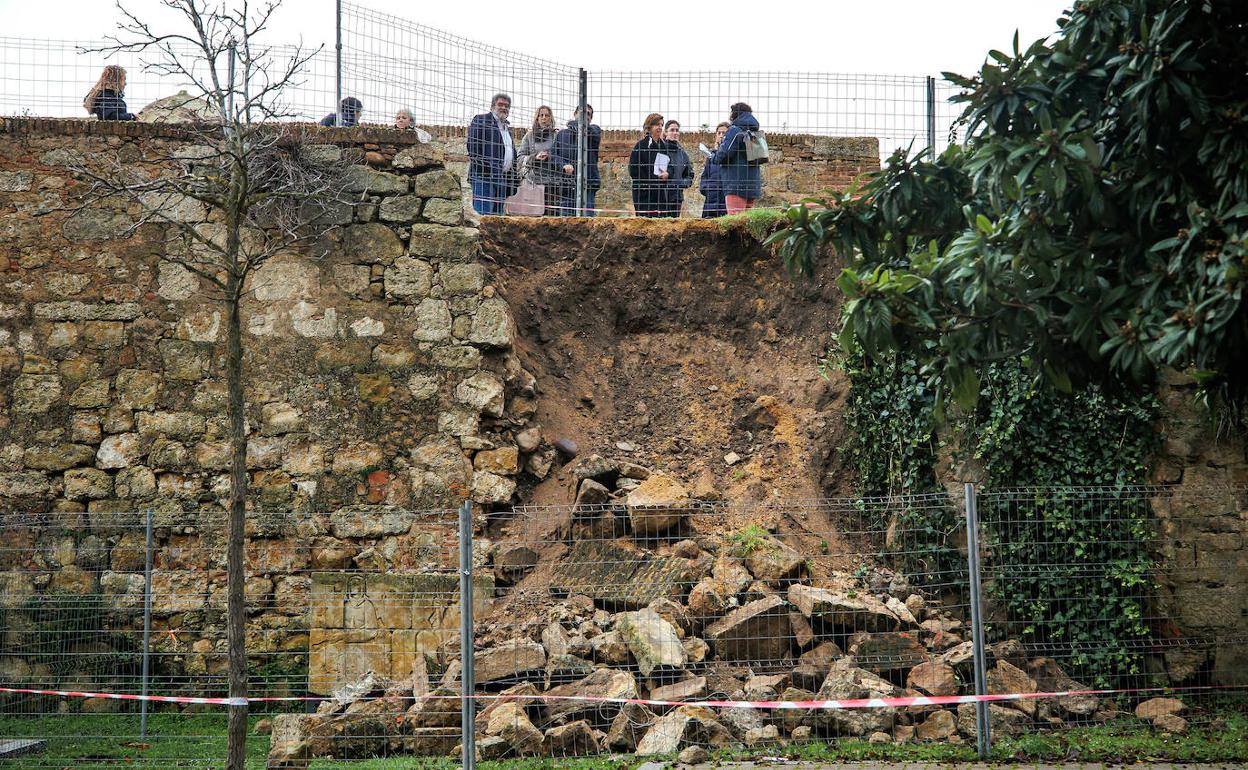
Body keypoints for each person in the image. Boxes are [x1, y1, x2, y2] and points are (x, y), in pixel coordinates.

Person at [516, 105, 574, 216]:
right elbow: (519, 158)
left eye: (546, 115)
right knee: (533, 218)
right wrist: (534, 157)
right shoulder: (529, 136)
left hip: (553, 182)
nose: (544, 118)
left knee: (552, 219)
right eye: (541, 115)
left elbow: (562, 156)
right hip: (533, 182)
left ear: (550, 118)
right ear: (537, 118)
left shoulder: (557, 135)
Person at [467, 93, 519, 216]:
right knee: (483, 217)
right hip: (484, 178)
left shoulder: (507, 128)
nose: (504, 108)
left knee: (497, 221)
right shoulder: (481, 120)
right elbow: (473, 148)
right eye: (500, 104)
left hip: (502, 179)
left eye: (507, 106)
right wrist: (484, 170)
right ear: (492, 106)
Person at [711, 102, 763, 213]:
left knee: (735, 223)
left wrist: (713, 156)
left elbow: (724, 155)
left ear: (734, 114)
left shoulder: (735, 130)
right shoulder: (755, 132)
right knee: (747, 223)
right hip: (752, 186)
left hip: (736, 185)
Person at [552, 104, 602, 216]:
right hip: (567, 183)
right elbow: (554, 156)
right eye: (582, 112)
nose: (585, 116)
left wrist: (573, 124)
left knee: (587, 220)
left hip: (588, 183)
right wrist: (563, 165)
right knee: (566, 222)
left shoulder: (595, 131)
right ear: (575, 114)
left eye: (588, 114)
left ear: (591, 118)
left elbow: (587, 130)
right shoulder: (562, 134)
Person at [628, 113, 668, 217]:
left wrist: (667, 174)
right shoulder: (641, 146)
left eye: (661, 125)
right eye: (657, 124)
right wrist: (654, 177)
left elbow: (670, 166)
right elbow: (633, 171)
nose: (660, 127)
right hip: (644, 194)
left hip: (659, 194)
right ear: (649, 127)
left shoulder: (663, 146)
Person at [659, 120, 694, 218]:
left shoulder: (683, 154)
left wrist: (681, 183)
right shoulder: (660, 150)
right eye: (672, 130)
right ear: (665, 133)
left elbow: (689, 175)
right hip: (661, 197)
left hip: (676, 197)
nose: (675, 133)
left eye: (677, 130)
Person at [700, 122, 730, 218]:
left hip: (726, 203)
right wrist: (706, 189)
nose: (721, 136)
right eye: (719, 133)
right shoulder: (711, 157)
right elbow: (704, 176)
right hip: (710, 203)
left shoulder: (732, 156)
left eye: (724, 133)